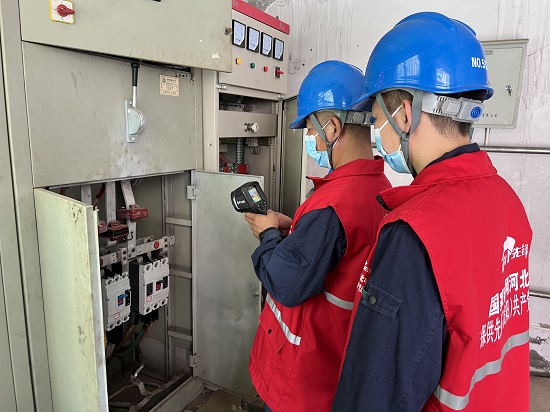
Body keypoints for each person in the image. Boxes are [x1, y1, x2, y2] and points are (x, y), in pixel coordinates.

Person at [333, 12, 532, 411]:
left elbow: (375, 394)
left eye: (377, 119)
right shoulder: (508, 200)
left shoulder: (416, 233)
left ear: (405, 115)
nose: (376, 134)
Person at [244, 60, 392, 411]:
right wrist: (296, 228)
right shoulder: (380, 188)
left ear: (332, 127)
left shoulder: (333, 204)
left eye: (310, 130)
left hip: (299, 379)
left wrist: (268, 235)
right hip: (333, 363)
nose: (310, 140)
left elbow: (285, 283)